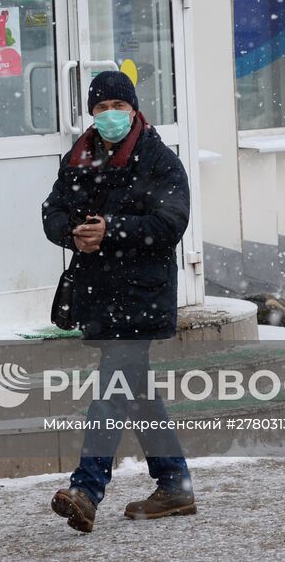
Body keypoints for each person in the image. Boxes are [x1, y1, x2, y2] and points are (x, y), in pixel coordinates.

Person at [40, 69, 194, 534]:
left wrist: (113, 231)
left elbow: (171, 223)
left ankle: (87, 489)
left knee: (112, 390)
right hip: (100, 294)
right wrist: (74, 234)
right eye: (101, 108)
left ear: (134, 109)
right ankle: (175, 485)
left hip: (142, 295)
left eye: (118, 107)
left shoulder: (158, 158)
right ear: (91, 113)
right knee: (138, 393)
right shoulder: (79, 157)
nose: (110, 116)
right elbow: (53, 212)